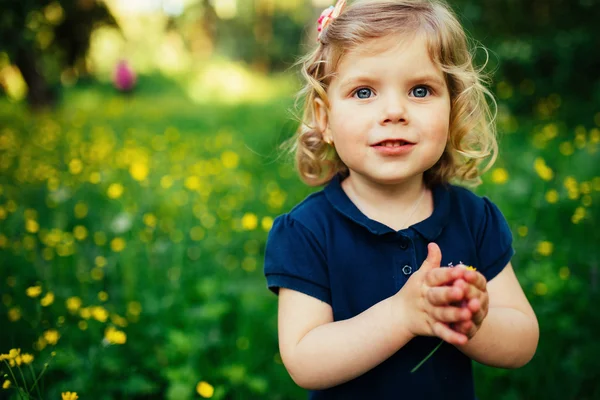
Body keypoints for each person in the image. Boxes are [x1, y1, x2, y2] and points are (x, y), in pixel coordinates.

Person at [263, 0, 539, 398]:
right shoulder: (307, 232)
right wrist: (403, 315)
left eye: (420, 90)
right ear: (324, 119)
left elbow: (523, 341)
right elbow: (304, 360)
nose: (394, 111)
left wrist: (473, 321)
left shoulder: (474, 218)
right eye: (363, 92)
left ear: (453, 107)